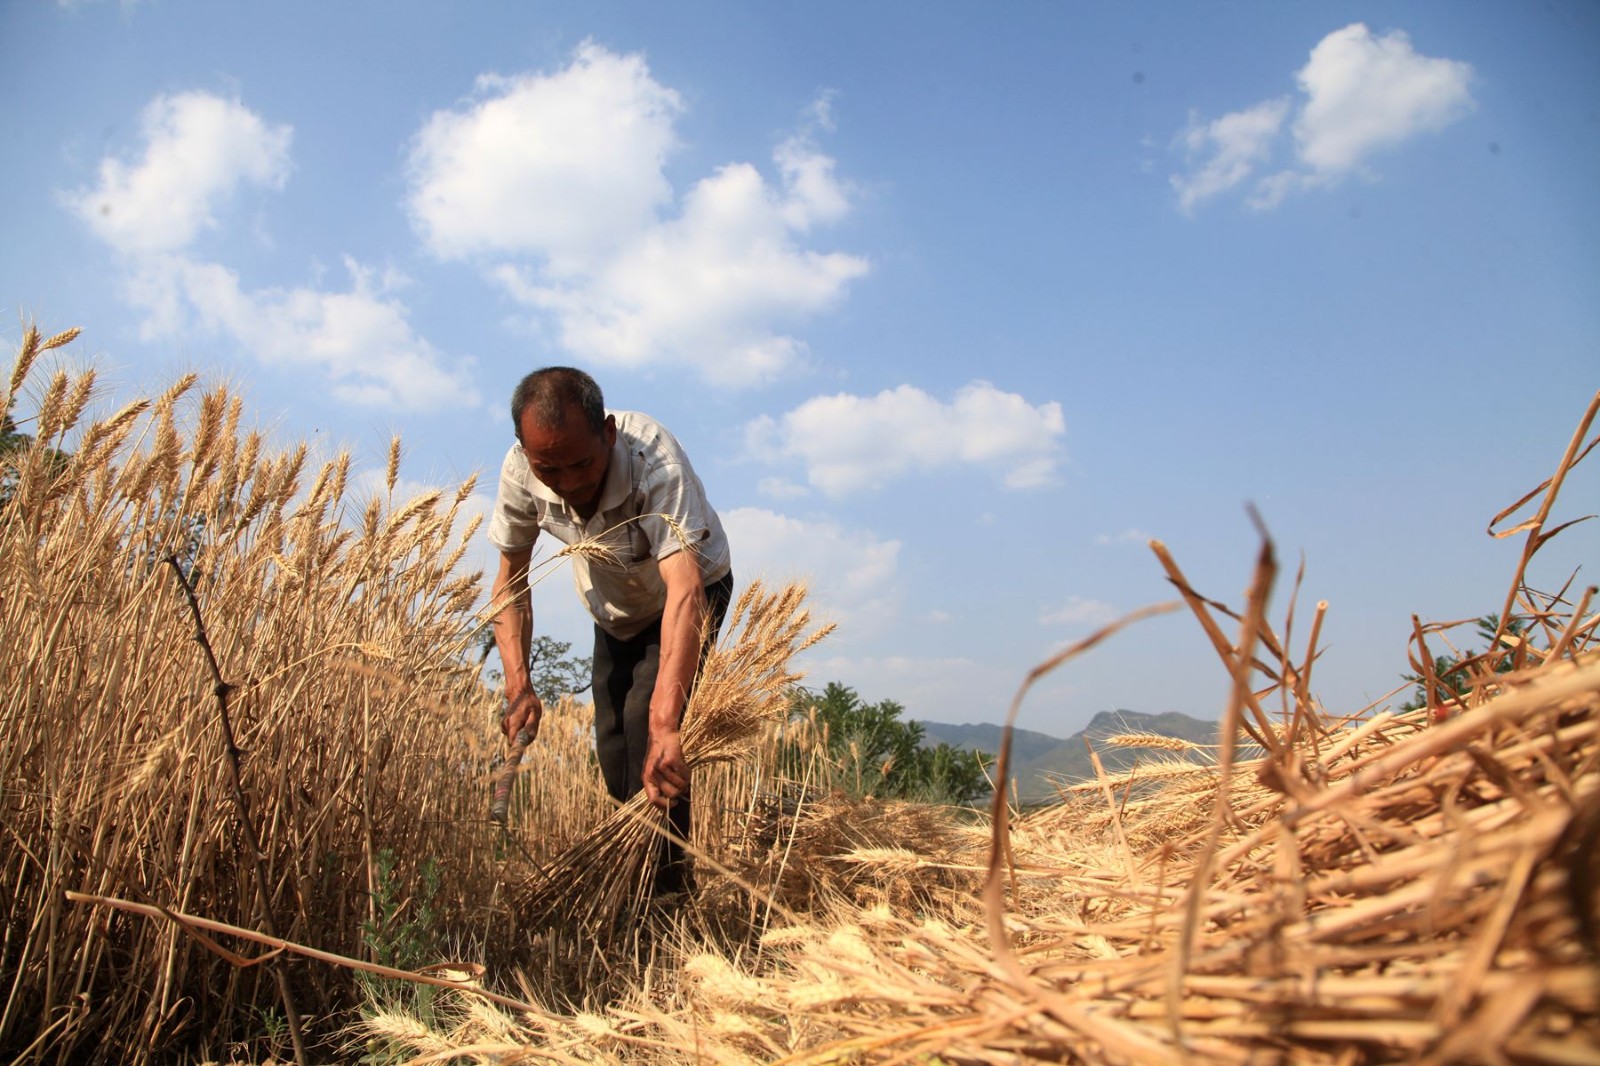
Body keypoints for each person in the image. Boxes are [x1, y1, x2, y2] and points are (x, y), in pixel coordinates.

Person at [487, 366, 732, 892]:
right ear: (526, 454)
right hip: (615, 607)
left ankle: (661, 900)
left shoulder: (654, 463)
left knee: (651, 736)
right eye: (550, 469)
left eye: (583, 463)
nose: (571, 482)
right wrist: (518, 687)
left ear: (609, 433)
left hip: (689, 594)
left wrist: (669, 724)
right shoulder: (519, 473)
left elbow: (685, 588)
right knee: (615, 747)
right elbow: (510, 582)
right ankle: (631, 879)